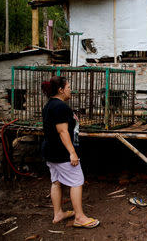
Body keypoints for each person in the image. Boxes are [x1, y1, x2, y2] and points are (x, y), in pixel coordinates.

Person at [41, 76, 99, 229]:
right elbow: (62, 131)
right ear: (60, 90)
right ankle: (79, 217)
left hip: (50, 150)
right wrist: (72, 153)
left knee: (56, 182)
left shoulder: (49, 105)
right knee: (77, 181)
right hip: (61, 152)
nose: (70, 90)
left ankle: (58, 213)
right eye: (68, 87)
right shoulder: (60, 107)